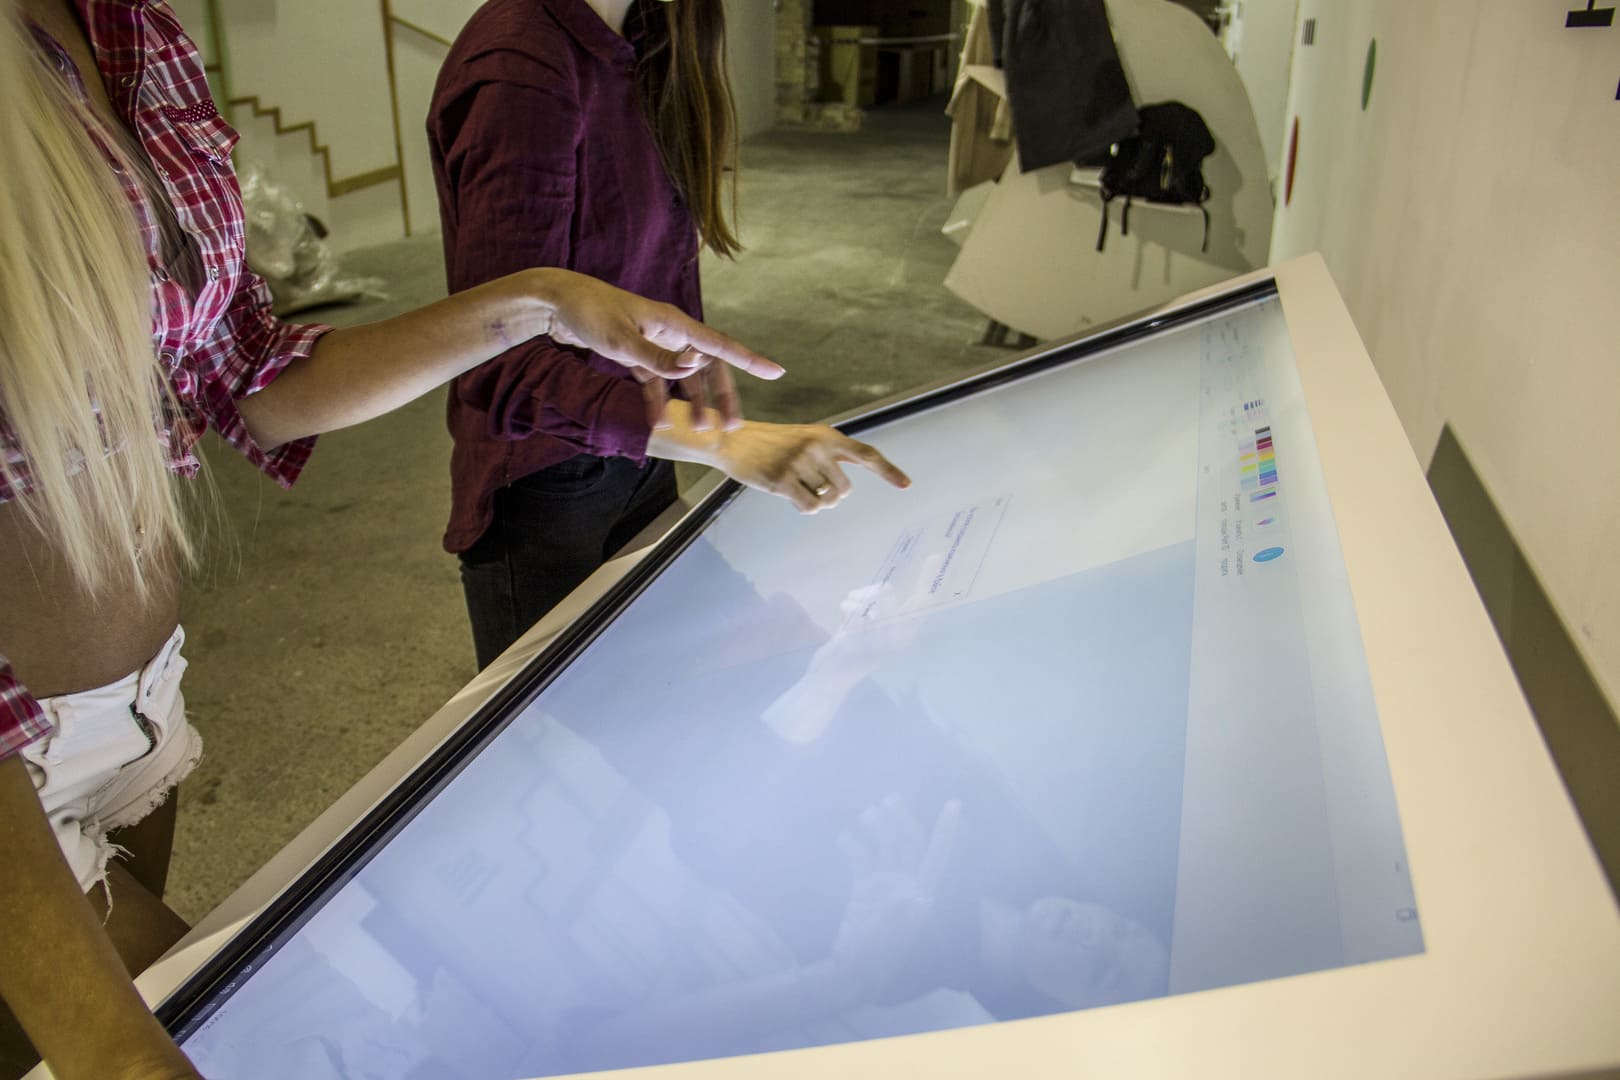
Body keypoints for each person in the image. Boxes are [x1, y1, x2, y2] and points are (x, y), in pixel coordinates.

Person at [0, 2, 792, 1077]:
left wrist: (540, 301)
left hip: (135, 712)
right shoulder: (519, 56)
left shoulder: (127, 27)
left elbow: (251, 376)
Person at [430, 0, 913, 669]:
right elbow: (496, 358)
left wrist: (688, 407)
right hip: (547, 483)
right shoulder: (521, 63)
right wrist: (721, 440)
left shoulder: (649, 38)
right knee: (574, 721)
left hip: (646, 447)